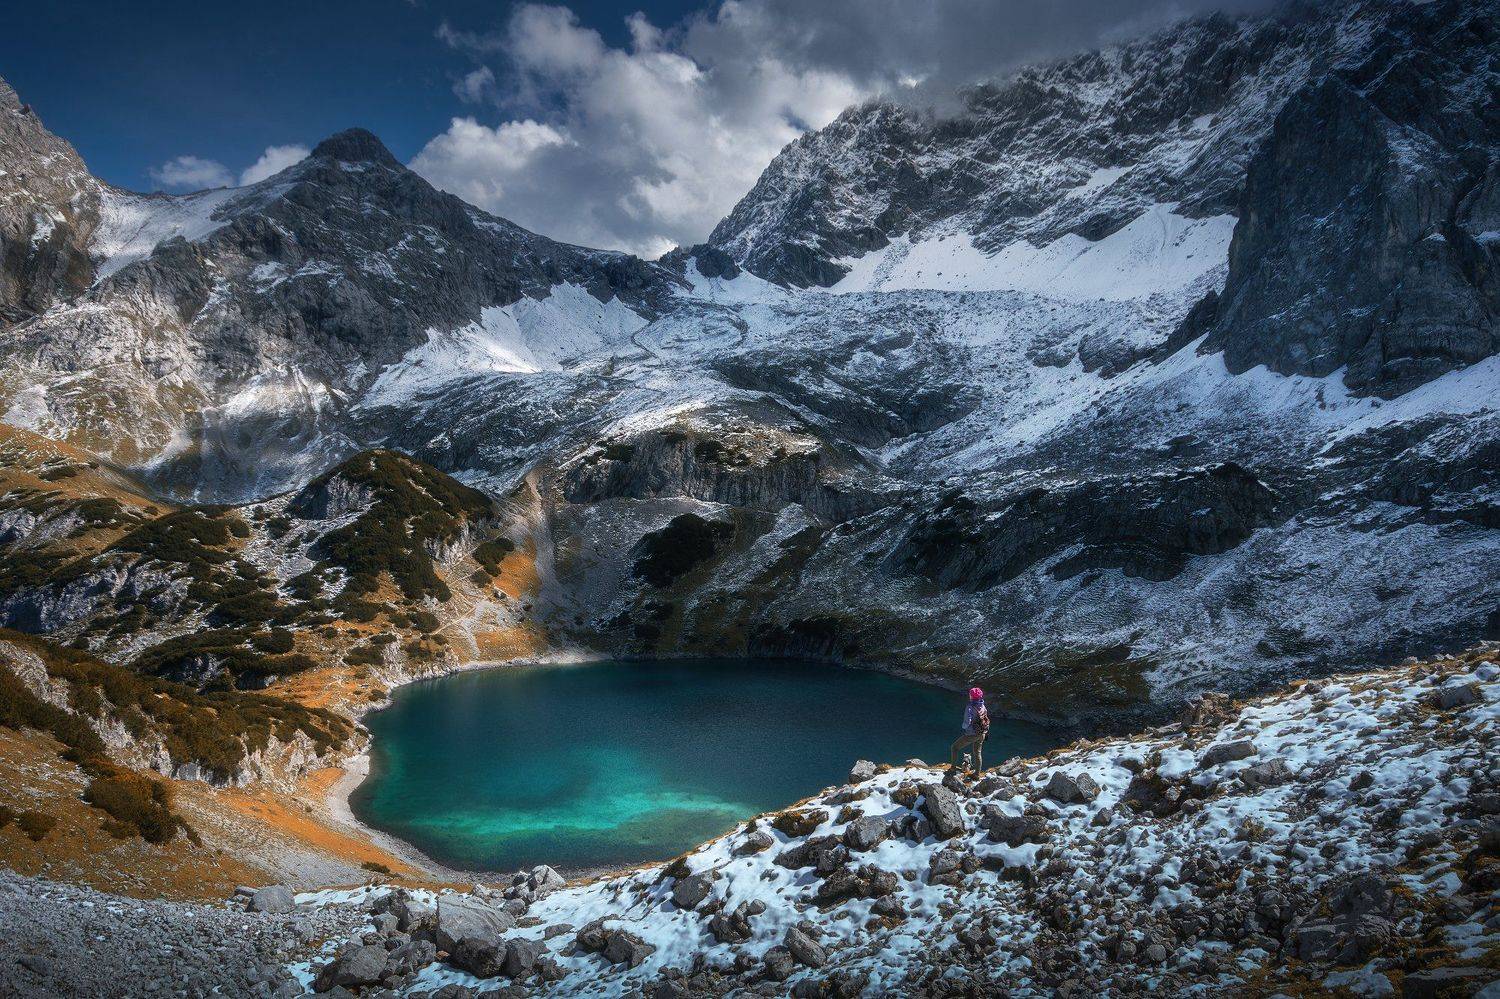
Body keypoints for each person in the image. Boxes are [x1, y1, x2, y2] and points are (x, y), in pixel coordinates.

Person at [949, 687, 990, 772]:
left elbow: (967, 722)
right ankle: (977, 774)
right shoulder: (983, 705)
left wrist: (964, 727)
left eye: (970, 695)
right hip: (982, 733)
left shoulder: (970, 707)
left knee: (954, 747)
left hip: (972, 734)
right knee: (977, 753)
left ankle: (953, 768)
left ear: (972, 696)